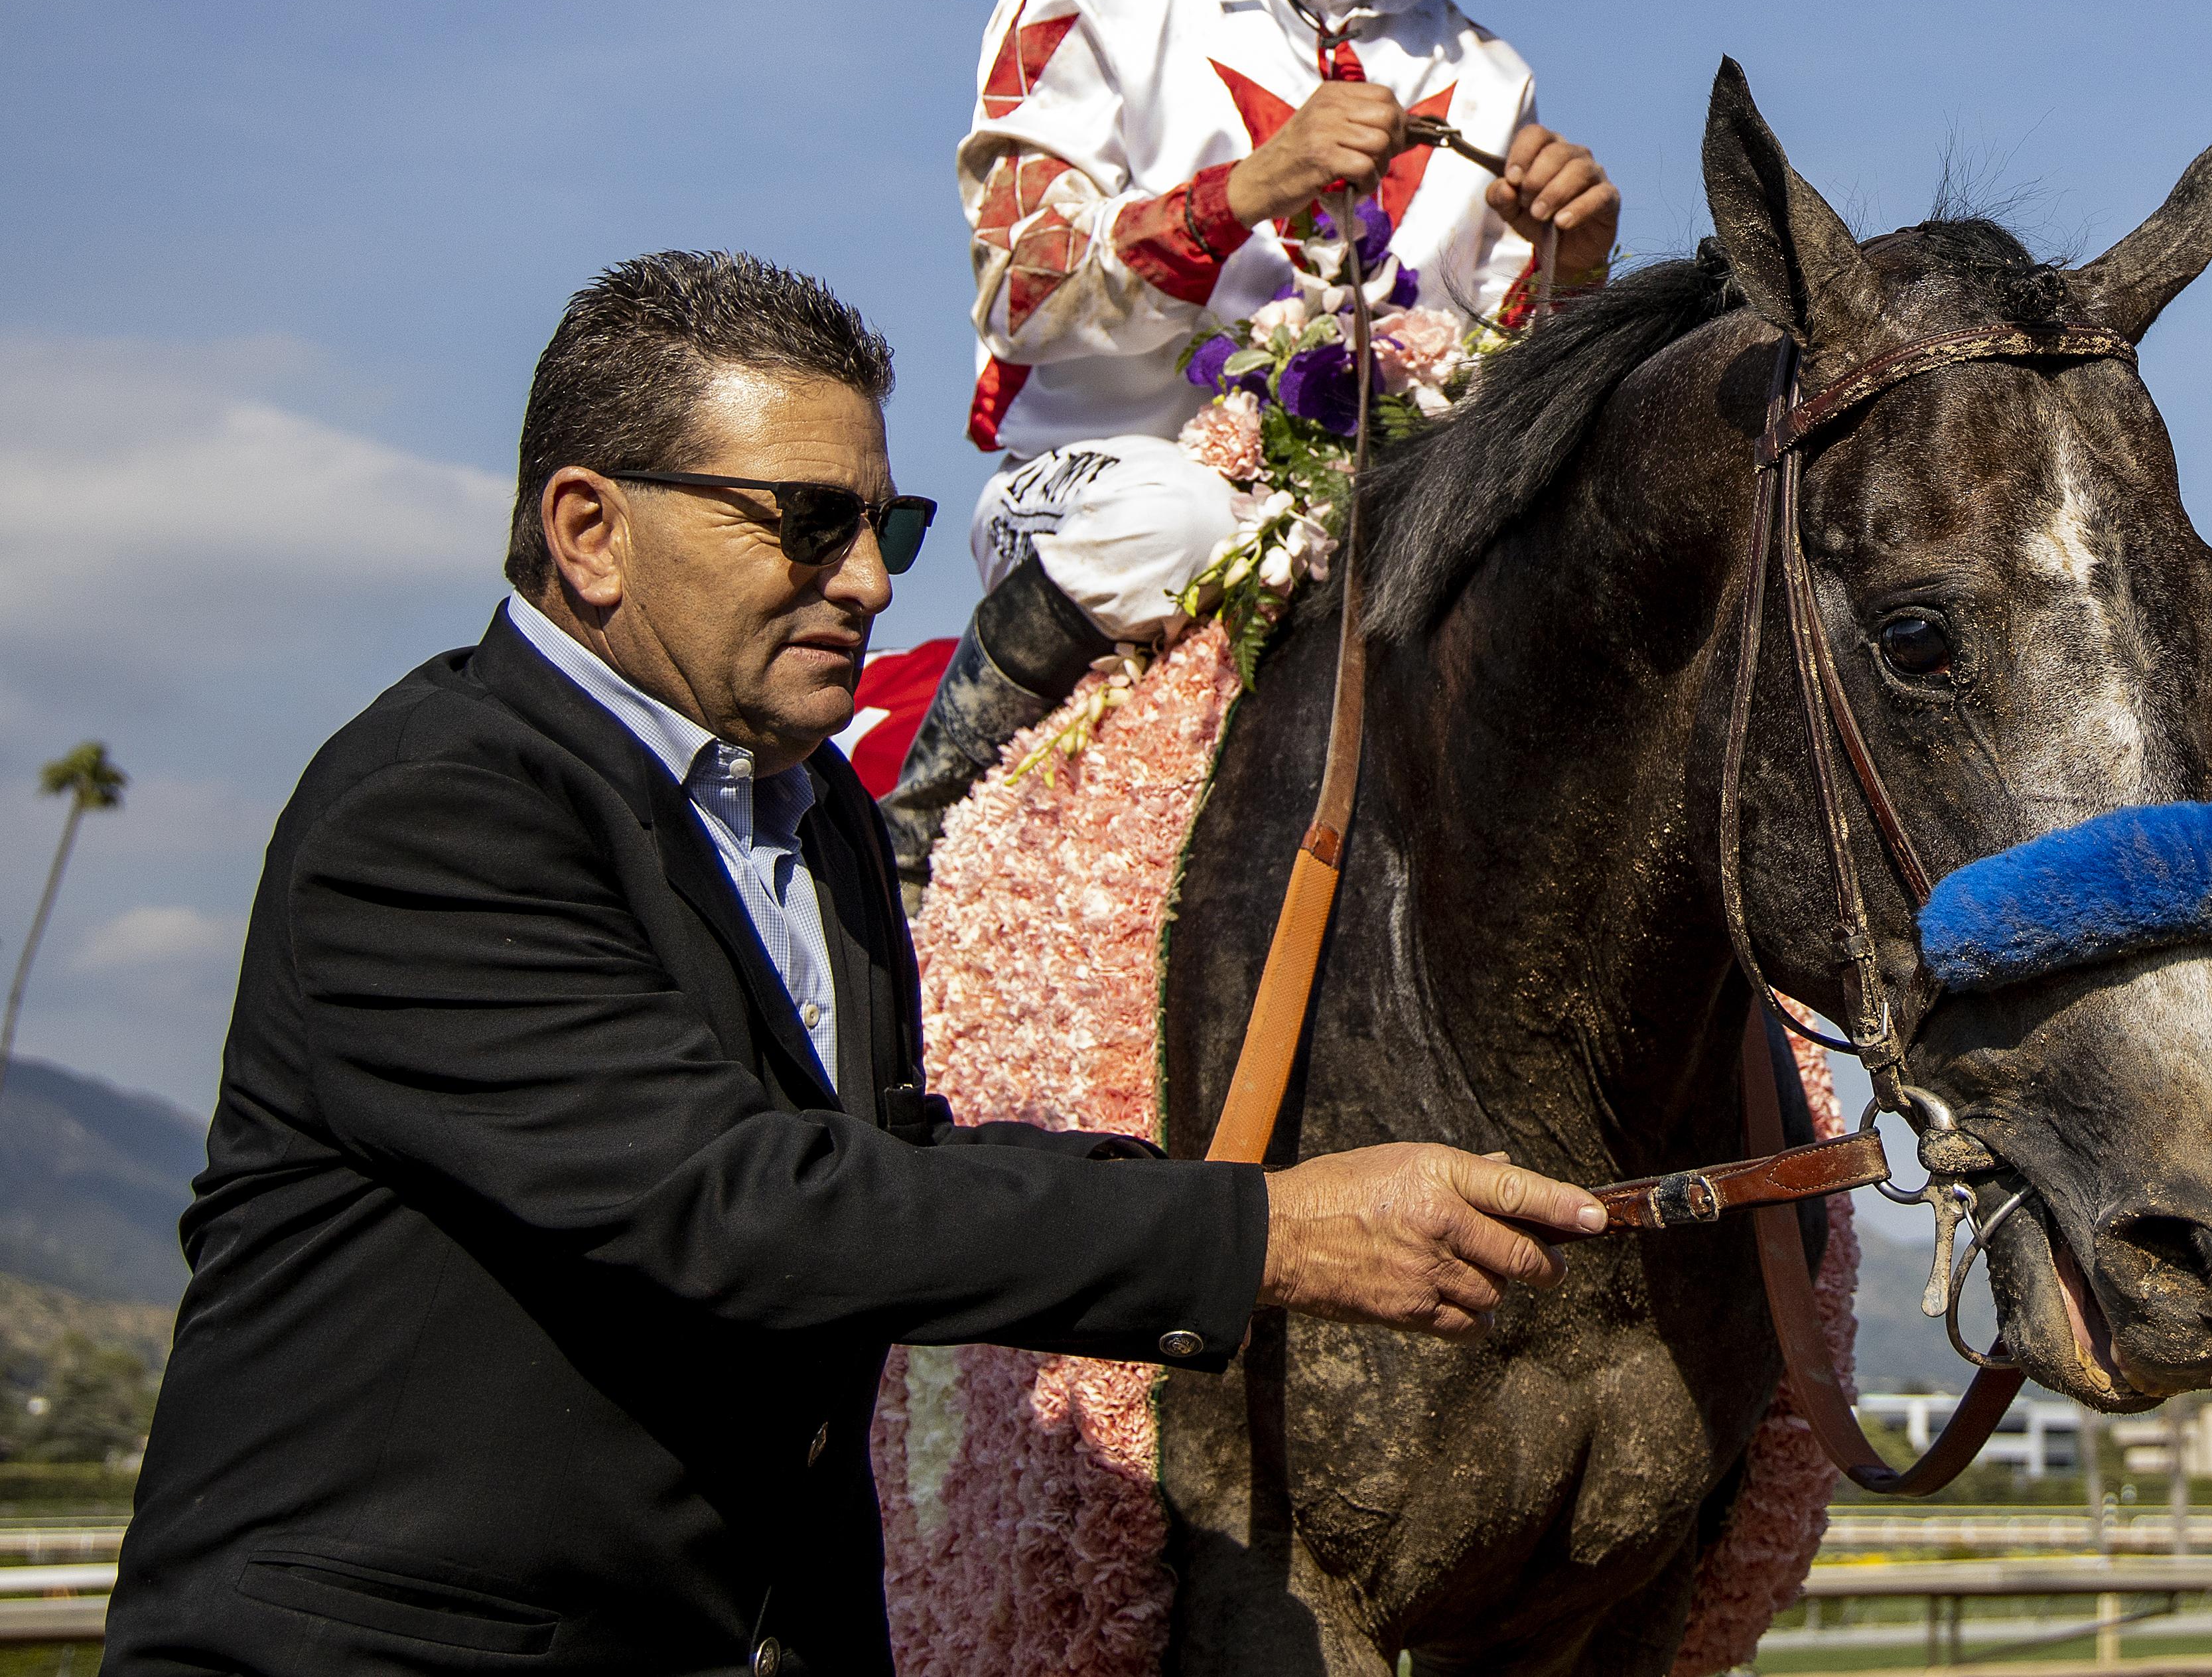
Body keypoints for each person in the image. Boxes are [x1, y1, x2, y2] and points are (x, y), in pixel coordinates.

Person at [106, 252, 1606, 1677]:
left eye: (889, 527)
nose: (874, 585)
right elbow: (744, 1205)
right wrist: (1264, 1235)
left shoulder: (810, 806)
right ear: (588, 529)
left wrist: (1274, 1193)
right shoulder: (434, 809)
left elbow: (882, 1161)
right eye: (808, 523)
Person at [880, 0, 1622, 889]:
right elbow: (1022, 294)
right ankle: (916, 830)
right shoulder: (1090, 1)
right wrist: (1245, 191)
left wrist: (1575, 271)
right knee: (1173, 515)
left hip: (1371, 520)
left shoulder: (1490, 71)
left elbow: (1495, 391)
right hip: (1095, 498)